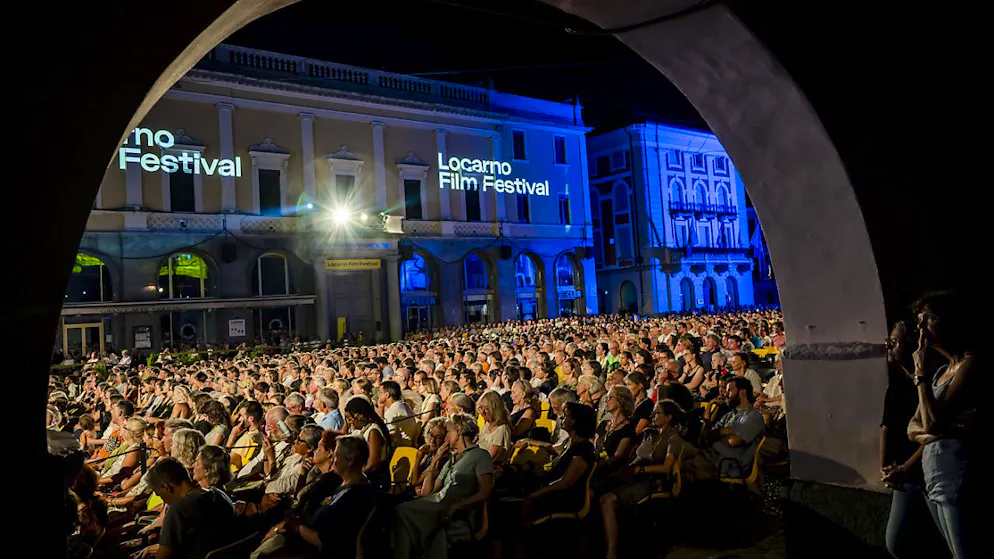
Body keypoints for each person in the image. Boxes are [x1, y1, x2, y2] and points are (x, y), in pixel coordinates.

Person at [908, 292, 987, 558]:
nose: (920, 328)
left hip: (957, 476)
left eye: (928, 318)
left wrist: (919, 374)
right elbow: (913, 427)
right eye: (919, 320)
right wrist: (932, 433)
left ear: (949, 322)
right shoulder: (942, 372)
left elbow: (931, 421)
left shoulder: (968, 365)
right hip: (934, 476)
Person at [600, 399, 715, 559]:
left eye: (657, 413)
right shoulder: (650, 434)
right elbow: (638, 457)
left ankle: (611, 551)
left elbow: (666, 467)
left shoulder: (673, 439)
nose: (652, 415)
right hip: (637, 476)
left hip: (653, 480)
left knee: (607, 500)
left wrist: (638, 470)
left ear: (668, 417)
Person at [393, 413, 494, 559]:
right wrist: (435, 460)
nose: (445, 437)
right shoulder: (453, 459)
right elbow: (429, 491)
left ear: (458, 430)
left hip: (454, 507)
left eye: (448, 431)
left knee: (401, 511)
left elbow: (484, 491)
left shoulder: (480, 455)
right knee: (400, 514)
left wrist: (459, 505)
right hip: (437, 502)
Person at [145, 457, 237, 559]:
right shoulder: (220, 495)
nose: (163, 501)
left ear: (167, 487)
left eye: (159, 495)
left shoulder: (177, 511)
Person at [519, 402, 597, 520]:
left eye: (566, 416)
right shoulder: (569, 443)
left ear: (576, 421)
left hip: (566, 498)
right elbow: (552, 448)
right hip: (552, 487)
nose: (561, 418)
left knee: (526, 495)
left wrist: (536, 494)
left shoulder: (583, 449)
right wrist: (529, 442)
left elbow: (566, 482)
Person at [707, 377, 765, 479]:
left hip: (730, 466)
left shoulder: (753, 417)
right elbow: (710, 434)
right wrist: (724, 431)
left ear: (742, 392)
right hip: (714, 459)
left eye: (730, 390)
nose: (725, 394)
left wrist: (720, 433)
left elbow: (733, 441)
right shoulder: (729, 415)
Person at [344, 396, 391, 487]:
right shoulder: (357, 431)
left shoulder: (373, 431)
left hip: (374, 478)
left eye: (350, 419)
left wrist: (352, 477)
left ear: (360, 415)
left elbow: (372, 465)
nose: (349, 423)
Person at [477, 390, 513, 464]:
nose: (482, 412)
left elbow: (491, 457)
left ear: (496, 409)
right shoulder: (486, 425)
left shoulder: (502, 429)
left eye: (487, 409)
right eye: (481, 408)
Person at [380, 381, 419, 448]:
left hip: (400, 450)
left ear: (387, 395)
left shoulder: (391, 412)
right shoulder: (404, 405)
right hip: (409, 446)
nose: (378, 395)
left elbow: (391, 437)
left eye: (380, 393)